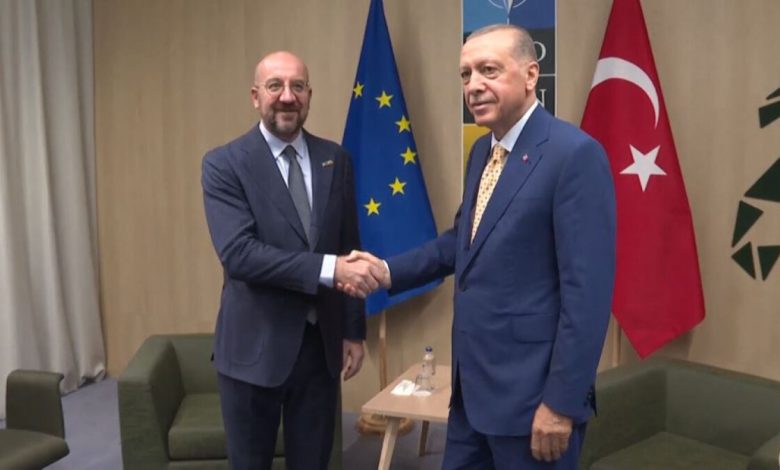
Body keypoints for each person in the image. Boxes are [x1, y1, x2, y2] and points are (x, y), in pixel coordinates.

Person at [343, 25, 616, 468]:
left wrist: (561, 404)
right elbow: (462, 242)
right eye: (465, 74)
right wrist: (386, 271)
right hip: (471, 396)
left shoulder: (573, 155)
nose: (473, 85)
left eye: (489, 70)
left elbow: (588, 296)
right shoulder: (481, 154)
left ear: (531, 75)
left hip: (533, 404)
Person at [201, 51, 382, 470]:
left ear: (309, 95)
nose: (287, 96)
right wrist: (329, 269)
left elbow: (348, 244)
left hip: (320, 352)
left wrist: (353, 330)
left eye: (297, 86)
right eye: (275, 86)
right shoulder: (224, 164)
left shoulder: (336, 159)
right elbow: (240, 255)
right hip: (252, 353)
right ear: (255, 96)